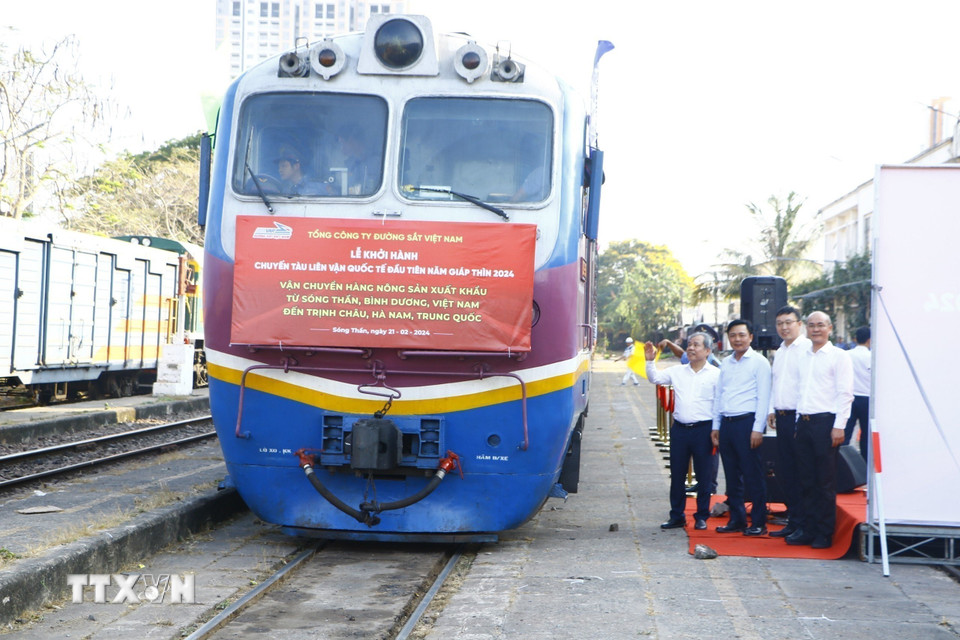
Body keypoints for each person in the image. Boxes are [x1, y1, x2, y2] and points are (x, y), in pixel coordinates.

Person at [786, 311, 854, 549]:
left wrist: (839, 426)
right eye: (812, 325)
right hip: (803, 423)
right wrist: (796, 423)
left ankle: (825, 533)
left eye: (820, 325)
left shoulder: (839, 356)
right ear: (806, 328)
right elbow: (799, 392)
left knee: (824, 481)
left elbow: (845, 393)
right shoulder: (803, 356)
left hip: (825, 423)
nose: (816, 329)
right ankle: (808, 528)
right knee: (805, 480)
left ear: (830, 328)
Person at [643, 332, 720, 531]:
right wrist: (650, 361)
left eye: (697, 345)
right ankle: (676, 515)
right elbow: (655, 378)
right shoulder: (677, 371)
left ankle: (702, 516)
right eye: (689, 344)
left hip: (704, 430)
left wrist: (717, 430)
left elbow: (720, 404)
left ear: (708, 351)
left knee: (704, 476)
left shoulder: (716, 375)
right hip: (680, 430)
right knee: (677, 474)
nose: (691, 348)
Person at [711, 319, 771, 536]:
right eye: (733, 335)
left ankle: (758, 521)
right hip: (727, 424)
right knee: (732, 475)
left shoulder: (759, 362)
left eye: (741, 335)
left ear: (751, 337)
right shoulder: (726, 363)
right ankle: (737, 519)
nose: (737, 339)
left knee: (753, 475)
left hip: (747, 423)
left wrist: (758, 428)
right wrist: (716, 425)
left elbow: (764, 397)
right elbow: (720, 395)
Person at [766, 305, 811, 539]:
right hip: (781, 416)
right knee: (786, 471)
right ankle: (793, 520)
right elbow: (777, 382)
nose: (784, 327)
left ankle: (804, 524)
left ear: (799, 324)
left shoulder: (807, 349)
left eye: (788, 322)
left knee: (802, 472)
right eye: (780, 323)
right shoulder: (781, 350)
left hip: (799, 417)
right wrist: (772, 408)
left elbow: (805, 387)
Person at [844, 326, 871, 462]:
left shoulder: (847, 355)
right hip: (867, 399)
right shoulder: (872, 357)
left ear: (855, 339)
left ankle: (843, 464)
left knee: (845, 435)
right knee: (866, 437)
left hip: (850, 398)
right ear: (869, 340)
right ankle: (865, 468)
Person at [336, 125, 380, 195]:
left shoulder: (377, 163)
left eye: (342, 143)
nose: (341, 149)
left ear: (351, 141)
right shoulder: (348, 164)